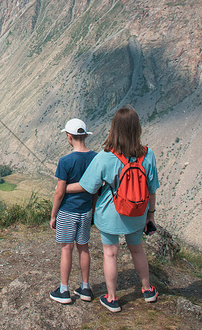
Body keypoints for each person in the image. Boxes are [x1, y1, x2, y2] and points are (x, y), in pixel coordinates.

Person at [67, 106, 159, 313]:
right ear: (137, 129)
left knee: (110, 254)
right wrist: (150, 215)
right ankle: (147, 291)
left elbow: (87, 185)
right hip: (137, 213)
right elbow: (152, 189)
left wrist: (63, 187)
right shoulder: (148, 155)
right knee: (137, 249)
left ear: (114, 129)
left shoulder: (105, 156)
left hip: (110, 214)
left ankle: (112, 298)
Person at [49, 118, 97, 304]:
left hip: (67, 211)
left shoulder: (65, 161)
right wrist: (92, 210)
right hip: (86, 211)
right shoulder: (95, 158)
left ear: (69, 137)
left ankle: (64, 290)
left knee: (66, 249)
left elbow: (60, 192)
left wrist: (53, 215)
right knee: (83, 247)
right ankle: (85, 287)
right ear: (85, 135)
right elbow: (95, 188)